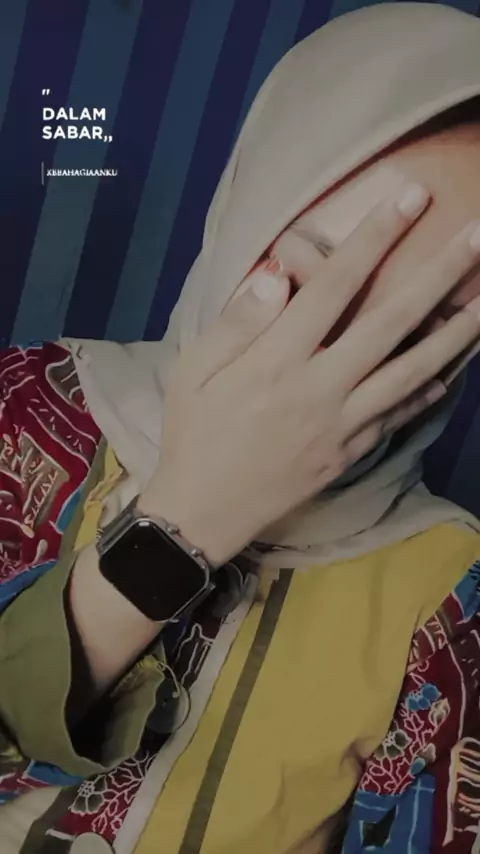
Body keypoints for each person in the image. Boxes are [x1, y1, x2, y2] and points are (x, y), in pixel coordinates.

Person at [2, 3, 480, 853]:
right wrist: (187, 518)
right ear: (248, 206)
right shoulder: (25, 407)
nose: (345, 353)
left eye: (428, 320)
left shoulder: (451, 598)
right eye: (324, 268)